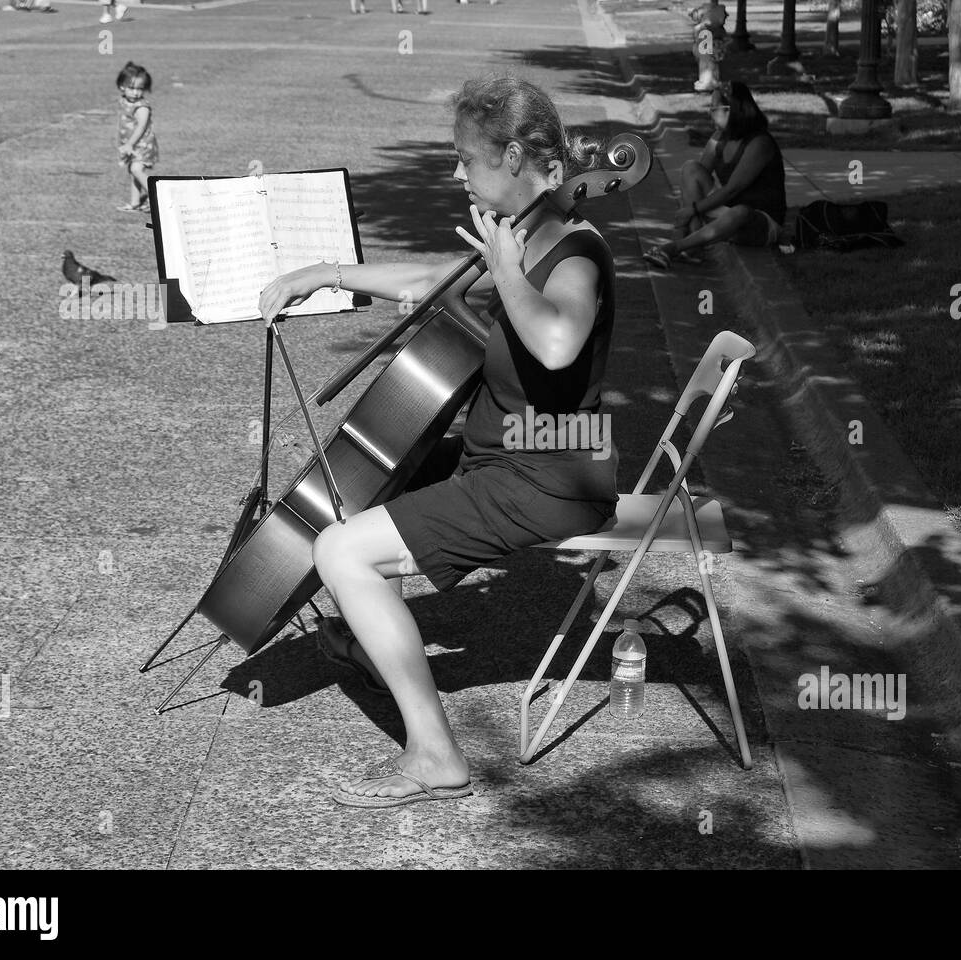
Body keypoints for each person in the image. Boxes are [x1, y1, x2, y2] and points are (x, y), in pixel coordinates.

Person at [257, 76, 619, 809]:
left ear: (514, 155)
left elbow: (556, 342)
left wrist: (510, 269)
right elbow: (433, 280)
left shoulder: (573, 249)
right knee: (372, 475)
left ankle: (434, 756)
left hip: (549, 476)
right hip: (516, 455)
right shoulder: (525, 229)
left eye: (465, 159)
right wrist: (321, 274)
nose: (457, 174)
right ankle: (374, 639)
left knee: (340, 549)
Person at [642, 81, 790, 268]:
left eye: (714, 108)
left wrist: (693, 210)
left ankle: (675, 247)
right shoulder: (718, 138)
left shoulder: (759, 143)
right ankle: (693, 248)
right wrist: (688, 213)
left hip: (761, 222)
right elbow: (694, 181)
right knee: (690, 168)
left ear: (732, 110)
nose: (709, 113)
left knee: (740, 211)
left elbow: (731, 190)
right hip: (727, 213)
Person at [115, 62, 158, 213]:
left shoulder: (142, 106)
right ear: (122, 87)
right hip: (131, 144)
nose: (135, 93)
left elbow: (141, 126)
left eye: (140, 89)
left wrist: (130, 144)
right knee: (132, 171)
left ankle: (157, 198)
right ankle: (135, 203)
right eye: (131, 88)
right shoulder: (125, 101)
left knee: (136, 169)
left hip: (142, 144)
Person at [689, 0, 728, 93]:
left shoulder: (711, 11)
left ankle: (709, 82)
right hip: (708, 39)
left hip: (708, 39)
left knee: (708, 62)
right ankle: (709, 81)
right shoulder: (717, 10)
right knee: (708, 62)